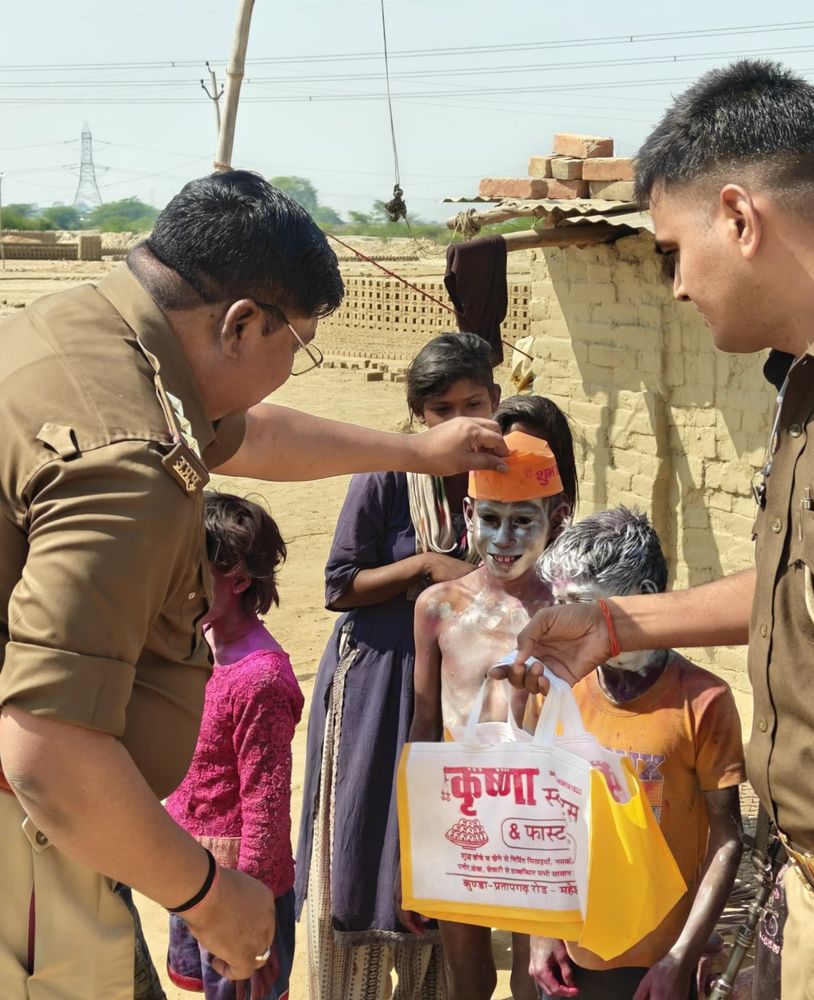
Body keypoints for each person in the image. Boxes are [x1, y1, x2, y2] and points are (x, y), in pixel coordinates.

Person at [495, 60, 814, 1000]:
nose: (677, 286)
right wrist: (617, 626)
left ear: (739, 217)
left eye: (673, 250)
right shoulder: (813, 394)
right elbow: (797, 587)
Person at [0, 169, 506, 1000]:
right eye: (293, 348)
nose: (287, 370)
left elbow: (247, 435)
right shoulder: (127, 455)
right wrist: (207, 896)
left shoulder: (80, 333)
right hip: (33, 848)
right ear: (241, 323)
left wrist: (418, 450)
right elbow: (49, 749)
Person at [296, 332, 499, 1000]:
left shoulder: (504, 470)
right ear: (419, 415)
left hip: (462, 685)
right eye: (443, 409)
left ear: (497, 400)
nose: (463, 418)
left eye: (476, 401)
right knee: (367, 823)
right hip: (380, 679)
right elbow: (339, 585)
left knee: (449, 829)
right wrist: (427, 567)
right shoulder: (386, 471)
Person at [528, 507, 744, 1000]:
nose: (564, 626)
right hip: (571, 957)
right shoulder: (560, 689)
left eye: (582, 607)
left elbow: (727, 837)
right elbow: (540, 816)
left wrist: (679, 958)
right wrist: (541, 932)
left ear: (644, 602)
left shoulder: (701, 701)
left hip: (657, 966)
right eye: (558, 606)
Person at [407, 428, 574, 1000]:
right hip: (461, 818)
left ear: (559, 516)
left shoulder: (567, 614)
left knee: (536, 980)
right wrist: (414, 844)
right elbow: (424, 726)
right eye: (491, 519)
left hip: (541, 824)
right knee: (468, 978)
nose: (504, 538)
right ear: (467, 511)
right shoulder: (439, 608)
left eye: (524, 520)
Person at [166, 492, 300, 1000]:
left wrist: (253, 912)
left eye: (188, 570)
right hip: (193, 872)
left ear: (239, 580)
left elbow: (265, 806)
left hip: (239, 888)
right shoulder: (193, 644)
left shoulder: (259, 679)